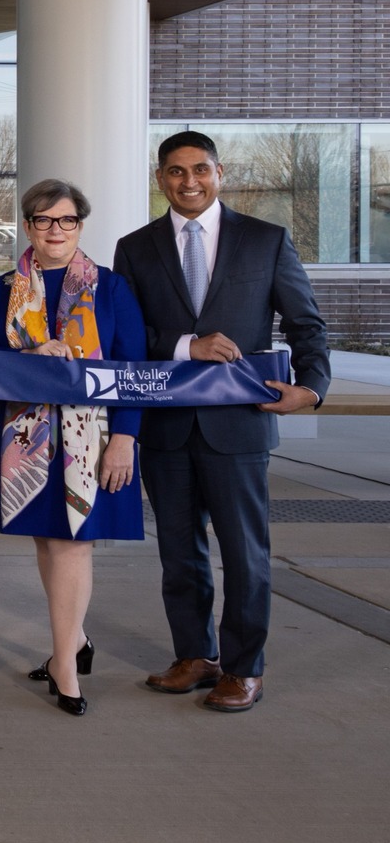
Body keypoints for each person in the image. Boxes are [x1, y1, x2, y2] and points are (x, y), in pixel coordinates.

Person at [113, 130, 330, 713]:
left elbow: (307, 325)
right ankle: (195, 656)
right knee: (179, 552)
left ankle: (243, 667)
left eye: (200, 170)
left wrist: (311, 389)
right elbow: (129, 339)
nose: (189, 181)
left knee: (244, 553)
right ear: (160, 178)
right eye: (177, 172)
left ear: (220, 172)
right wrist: (188, 344)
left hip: (239, 425)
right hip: (168, 427)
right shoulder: (134, 248)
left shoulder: (266, 241)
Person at [0, 180, 145, 716]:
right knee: (48, 542)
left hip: (93, 437)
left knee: (75, 544)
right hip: (26, 437)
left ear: (81, 224)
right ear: (28, 225)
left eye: (67, 220)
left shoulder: (111, 288)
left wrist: (125, 437)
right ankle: (73, 641)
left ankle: (65, 667)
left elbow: (132, 370)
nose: (56, 230)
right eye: (44, 220)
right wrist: (32, 355)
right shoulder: (4, 288)